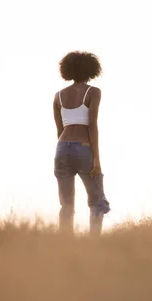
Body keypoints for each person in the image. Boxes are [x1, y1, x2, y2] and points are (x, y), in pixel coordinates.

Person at [53, 51, 110, 235]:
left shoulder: (58, 96)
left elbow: (59, 130)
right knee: (97, 201)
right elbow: (92, 126)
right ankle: (94, 243)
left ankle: (65, 244)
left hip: (61, 149)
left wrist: (66, 151)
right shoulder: (93, 92)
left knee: (66, 204)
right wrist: (97, 160)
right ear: (91, 70)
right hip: (83, 148)